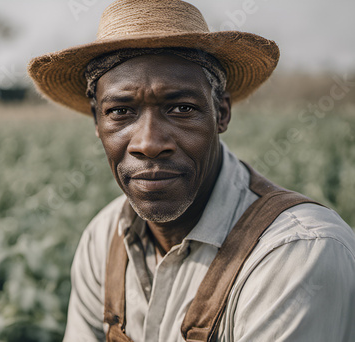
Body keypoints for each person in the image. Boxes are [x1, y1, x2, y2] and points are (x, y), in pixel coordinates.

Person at [28, 0, 355, 341]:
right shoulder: (103, 239)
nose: (149, 143)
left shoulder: (297, 253)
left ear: (221, 114)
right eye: (121, 111)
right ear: (97, 122)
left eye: (181, 108)